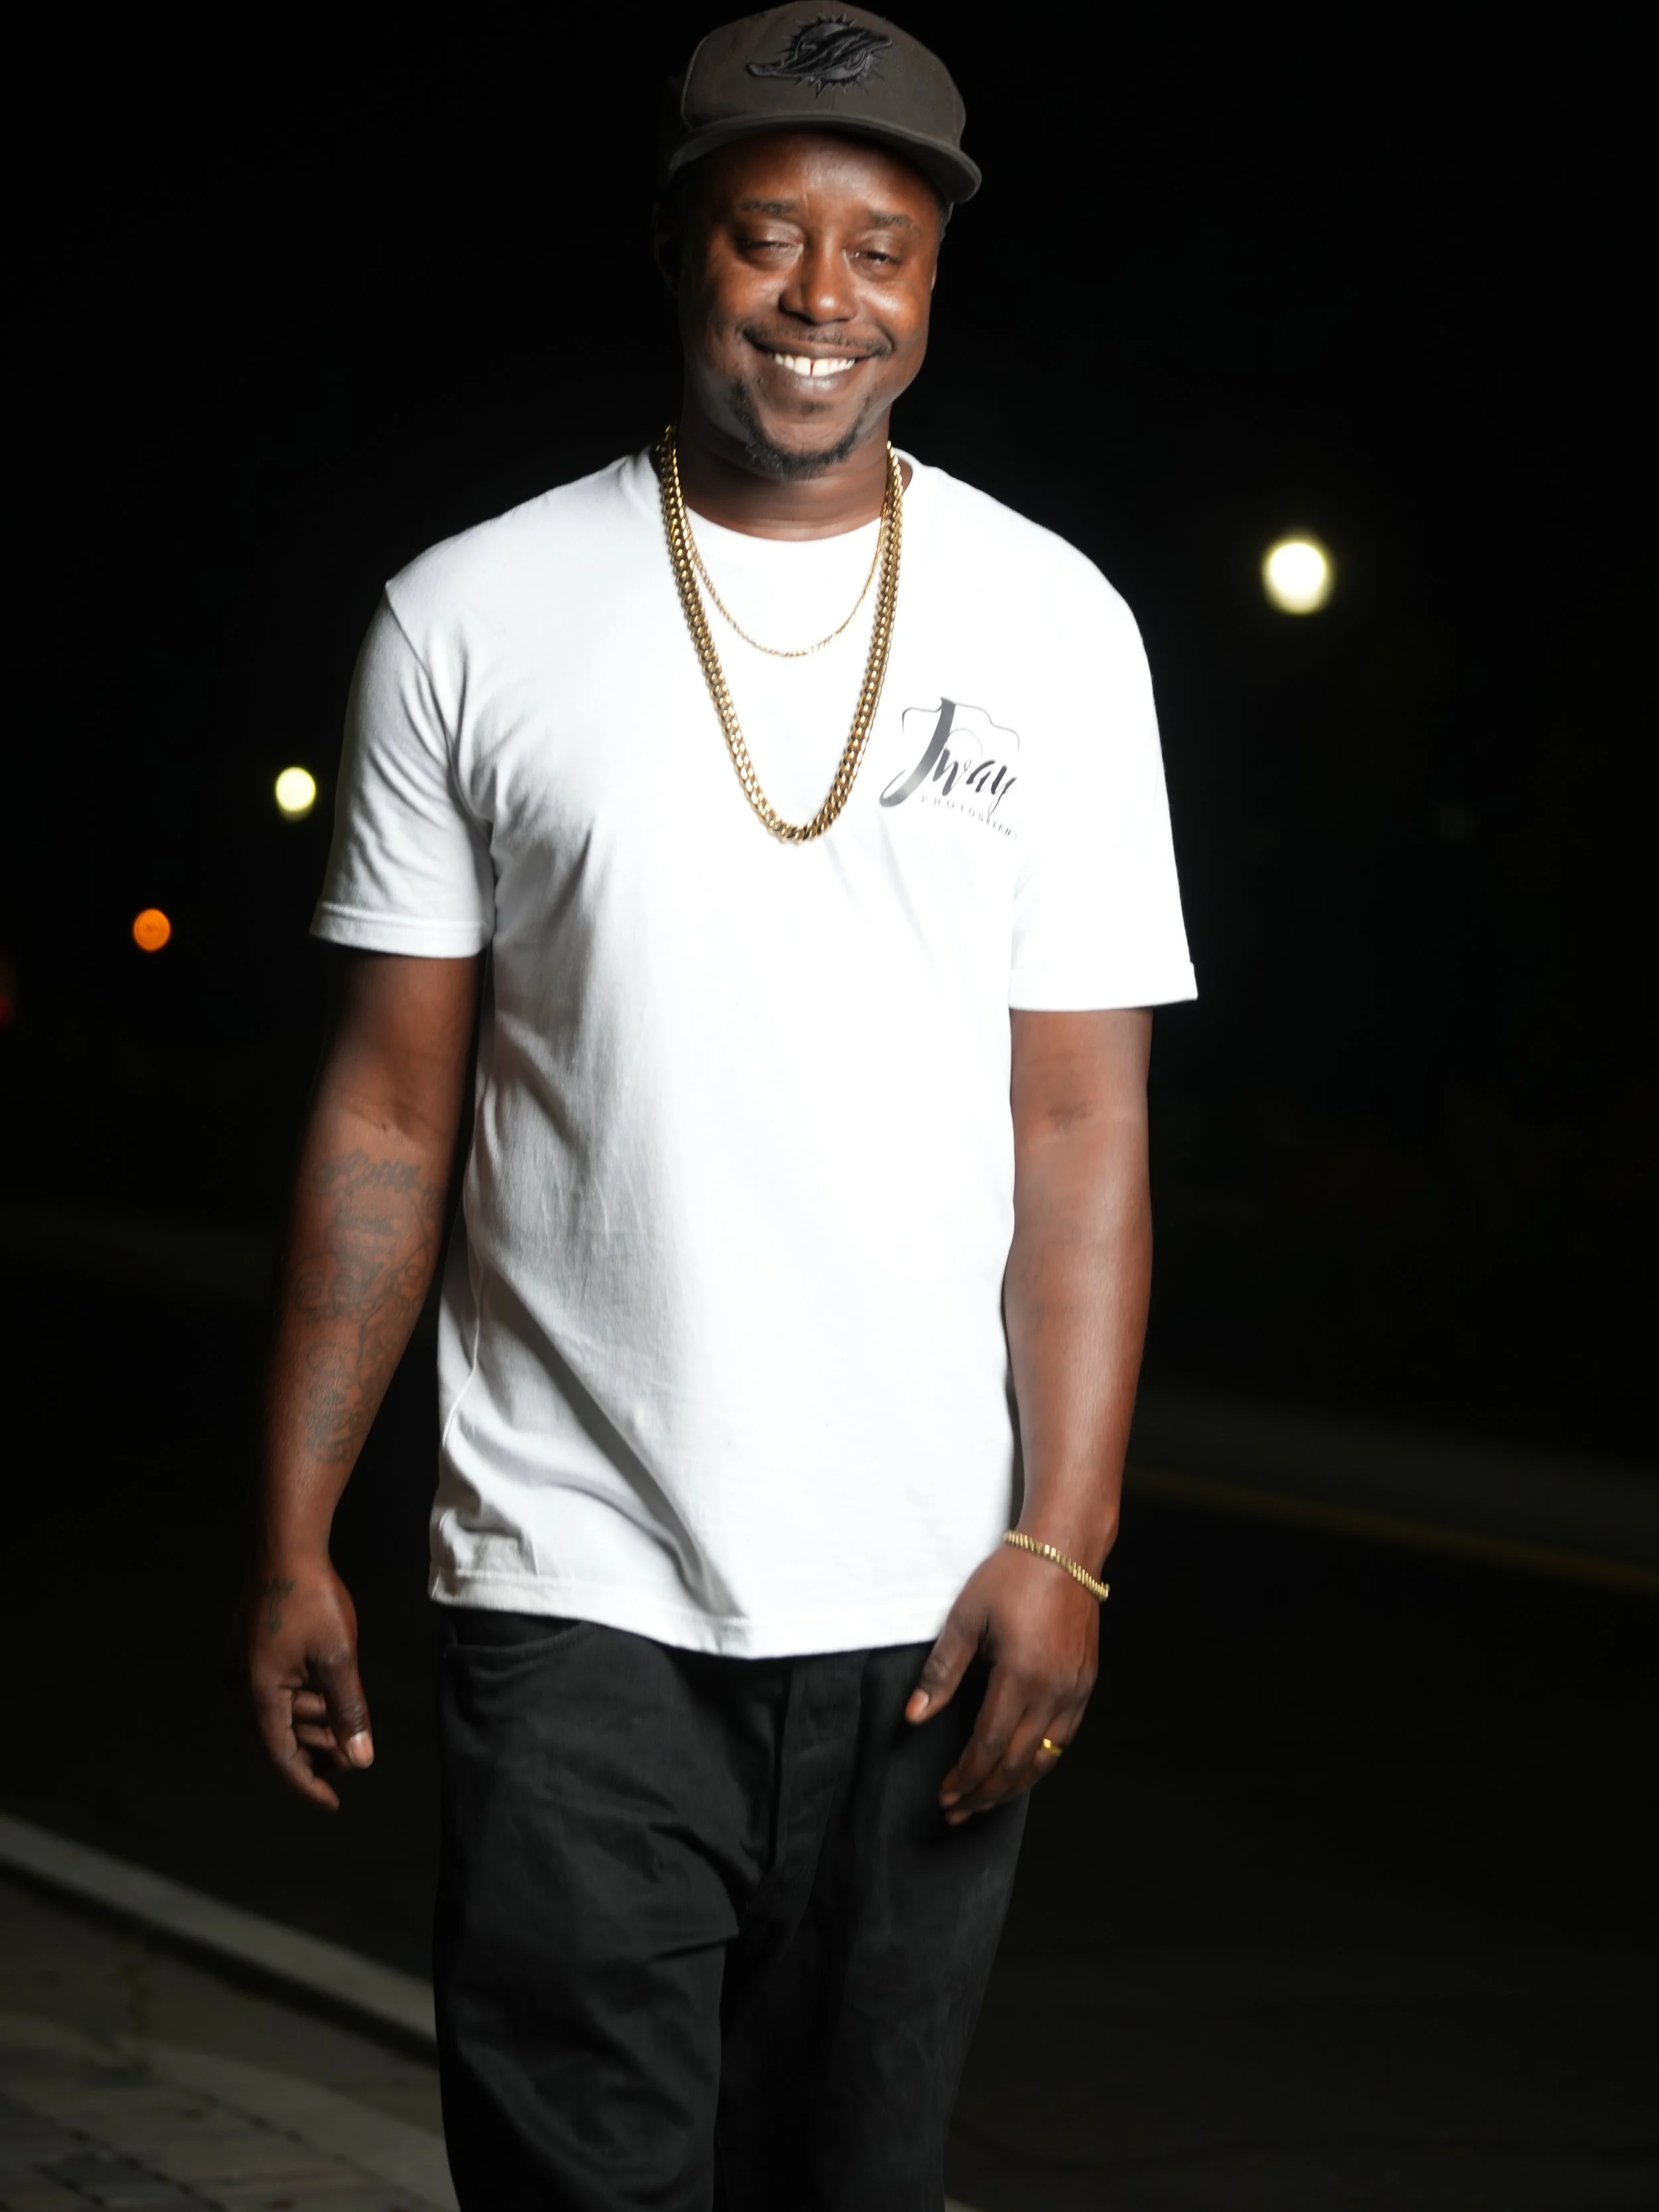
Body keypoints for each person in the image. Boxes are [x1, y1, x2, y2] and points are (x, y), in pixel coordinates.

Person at [244, 7, 1196, 2205]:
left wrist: (1069, 1540)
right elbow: (391, 1112)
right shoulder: (470, 617)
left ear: (934, 282)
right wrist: (295, 1530)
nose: (817, 303)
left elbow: (1083, 1133)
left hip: (930, 1602)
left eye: (876, 250)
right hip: (568, 1577)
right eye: (767, 237)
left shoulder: (1056, 630)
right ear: (681, 248)